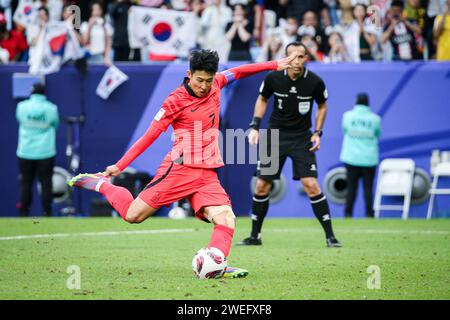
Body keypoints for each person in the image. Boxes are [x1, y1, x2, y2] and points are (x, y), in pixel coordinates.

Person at [69, 49, 295, 278]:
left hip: (207, 173)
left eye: (208, 80)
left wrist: (273, 64)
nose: (204, 86)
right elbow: (149, 135)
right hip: (179, 169)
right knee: (132, 215)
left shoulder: (216, 82)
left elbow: (238, 72)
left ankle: (216, 265)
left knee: (226, 217)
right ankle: (102, 185)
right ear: (189, 74)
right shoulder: (174, 101)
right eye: (199, 80)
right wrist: (120, 165)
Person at [238, 42, 342, 248]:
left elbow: (322, 106)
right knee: (261, 185)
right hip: (273, 136)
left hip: (302, 138)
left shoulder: (314, 82)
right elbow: (262, 99)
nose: (297, 61)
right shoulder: (273, 78)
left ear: (306, 58)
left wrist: (318, 133)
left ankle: (330, 237)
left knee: (311, 185)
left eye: (301, 56)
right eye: (292, 57)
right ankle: (254, 236)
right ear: (285, 58)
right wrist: (255, 126)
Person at [16, 82, 59, 217]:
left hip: (25, 151)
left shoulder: (21, 107)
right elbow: (55, 124)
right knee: (46, 183)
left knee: (26, 182)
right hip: (45, 152)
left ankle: (24, 212)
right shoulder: (51, 108)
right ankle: (47, 212)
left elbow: (20, 120)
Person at [340, 93, 381, 218]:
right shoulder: (375, 119)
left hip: (351, 157)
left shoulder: (347, 116)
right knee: (368, 188)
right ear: (368, 103)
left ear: (356, 102)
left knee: (351, 187)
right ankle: (369, 214)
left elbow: (344, 130)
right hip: (369, 159)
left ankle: (348, 213)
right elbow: (377, 133)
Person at [80, 1, 113, 65]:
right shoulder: (85, 25)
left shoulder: (106, 25)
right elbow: (84, 41)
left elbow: (109, 43)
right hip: (89, 55)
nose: (96, 12)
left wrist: (106, 57)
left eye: (98, 9)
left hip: (102, 56)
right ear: (91, 11)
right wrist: (89, 26)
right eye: (94, 10)